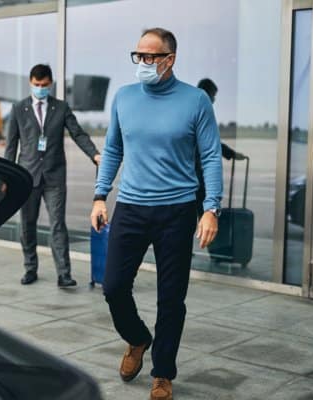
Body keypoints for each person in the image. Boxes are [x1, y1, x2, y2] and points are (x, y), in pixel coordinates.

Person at [90, 28, 223, 400]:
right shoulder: (124, 97)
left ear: (170, 59)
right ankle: (137, 339)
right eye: (138, 56)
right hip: (131, 207)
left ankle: (162, 373)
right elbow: (112, 149)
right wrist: (100, 196)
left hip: (177, 211)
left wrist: (211, 207)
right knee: (113, 286)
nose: (143, 63)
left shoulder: (195, 101)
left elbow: (211, 156)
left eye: (151, 57)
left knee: (171, 298)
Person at [5, 64, 101, 288]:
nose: (40, 89)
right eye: (36, 85)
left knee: (58, 224)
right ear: (30, 83)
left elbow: (78, 133)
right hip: (27, 176)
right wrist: (7, 177)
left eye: (44, 85)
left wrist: (95, 155)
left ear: (51, 84)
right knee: (27, 224)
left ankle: (64, 274)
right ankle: (30, 268)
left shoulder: (61, 108)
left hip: (54, 176)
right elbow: (11, 145)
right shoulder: (19, 109)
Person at [195, 78, 246, 217]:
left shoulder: (193, 110)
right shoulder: (199, 113)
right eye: (213, 95)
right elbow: (212, 143)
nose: (213, 100)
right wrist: (231, 154)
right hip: (196, 177)